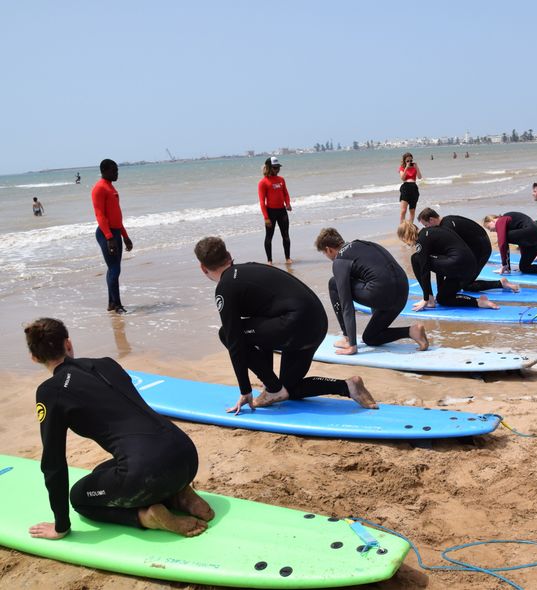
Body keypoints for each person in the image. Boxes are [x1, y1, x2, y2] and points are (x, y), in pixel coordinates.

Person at [25, 318, 214, 540]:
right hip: (186, 454)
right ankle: (180, 495)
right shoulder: (106, 364)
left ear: (35, 358)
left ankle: (146, 516)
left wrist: (60, 526)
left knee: (79, 497)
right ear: (68, 343)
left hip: (148, 473)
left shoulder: (51, 392)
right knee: (99, 473)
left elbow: (53, 463)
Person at [194, 236, 377, 414]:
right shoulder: (251, 270)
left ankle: (274, 389)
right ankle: (349, 386)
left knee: (225, 333)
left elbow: (234, 341)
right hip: (315, 324)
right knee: (289, 389)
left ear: (203, 268)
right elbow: (261, 329)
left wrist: (245, 390)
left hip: (294, 325)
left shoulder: (226, 288)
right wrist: (270, 383)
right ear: (228, 255)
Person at [314, 228, 428, 356]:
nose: (328, 257)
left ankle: (346, 339)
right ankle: (412, 331)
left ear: (329, 249)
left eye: (325, 253)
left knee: (333, 283)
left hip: (381, 293)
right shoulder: (364, 244)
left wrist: (352, 344)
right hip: (402, 292)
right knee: (370, 337)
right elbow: (377, 273)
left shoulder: (340, 260)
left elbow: (346, 304)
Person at [397, 222, 498, 311]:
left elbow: (424, 269)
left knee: (415, 258)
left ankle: (430, 299)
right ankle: (479, 302)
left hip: (458, 265)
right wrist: (440, 290)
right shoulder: (432, 232)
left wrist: (426, 298)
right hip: (468, 268)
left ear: (406, 236)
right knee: (443, 299)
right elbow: (439, 265)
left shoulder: (422, 239)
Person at [417, 207, 519, 292]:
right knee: (461, 282)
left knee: (466, 285)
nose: (427, 229)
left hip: (481, 250)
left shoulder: (446, 227)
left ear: (431, 220)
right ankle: (501, 283)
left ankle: (501, 283)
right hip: (478, 246)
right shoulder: (447, 220)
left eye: (426, 225)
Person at [91, 159, 133, 313]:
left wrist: (125, 236)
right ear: (105, 171)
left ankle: (111, 304)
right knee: (114, 269)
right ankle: (118, 306)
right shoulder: (99, 188)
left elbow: (116, 216)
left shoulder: (110, 187)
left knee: (114, 269)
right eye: (114, 170)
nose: (117, 173)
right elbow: (100, 215)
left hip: (115, 231)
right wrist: (109, 238)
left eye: (117, 170)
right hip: (105, 233)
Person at [482, 213, 537, 277]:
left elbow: (502, 243)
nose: (491, 231)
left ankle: (506, 267)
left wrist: (504, 264)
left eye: (489, 227)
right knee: (524, 267)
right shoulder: (510, 225)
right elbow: (521, 239)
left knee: (503, 237)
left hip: (533, 232)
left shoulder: (501, 220)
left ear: (492, 220)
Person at [258, 156, 292, 265]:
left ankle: (288, 258)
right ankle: (269, 260)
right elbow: (262, 202)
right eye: (275, 167)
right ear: (268, 168)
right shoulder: (263, 182)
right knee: (269, 237)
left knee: (286, 235)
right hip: (270, 213)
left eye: (278, 167)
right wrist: (266, 217)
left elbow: (285, 193)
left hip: (282, 211)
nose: (277, 169)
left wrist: (287, 204)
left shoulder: (281, 180)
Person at [398, 152, 422, 223]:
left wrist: (417, 167)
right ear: (404, 161)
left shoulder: (414, 167)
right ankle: (402, 228)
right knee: (403, 211)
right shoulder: (402, 168)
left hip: (414, 188)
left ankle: (410, 228)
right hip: (405, 188)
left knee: (412, 210)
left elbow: (420, 177)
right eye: (407, 161)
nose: (409, 162)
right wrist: (406, 168)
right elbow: (402, 178)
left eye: (411, 160)